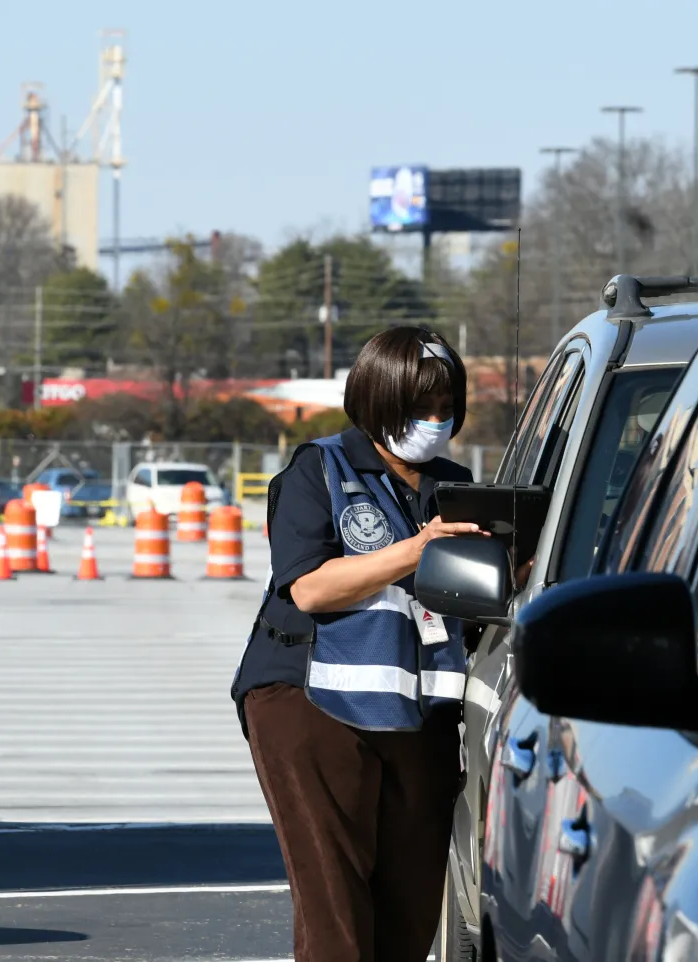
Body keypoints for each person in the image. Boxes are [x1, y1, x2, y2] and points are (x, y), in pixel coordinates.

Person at [231, 325, 482, 962]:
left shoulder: (455, 484)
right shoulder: (321, 469)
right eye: (420, 407)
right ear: (377, 402)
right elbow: (311, 589)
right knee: (337, 911)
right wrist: (415, 551)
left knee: (412, 907)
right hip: (311, 701)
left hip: (420, 713)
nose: (435, 420)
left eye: (446, 407)